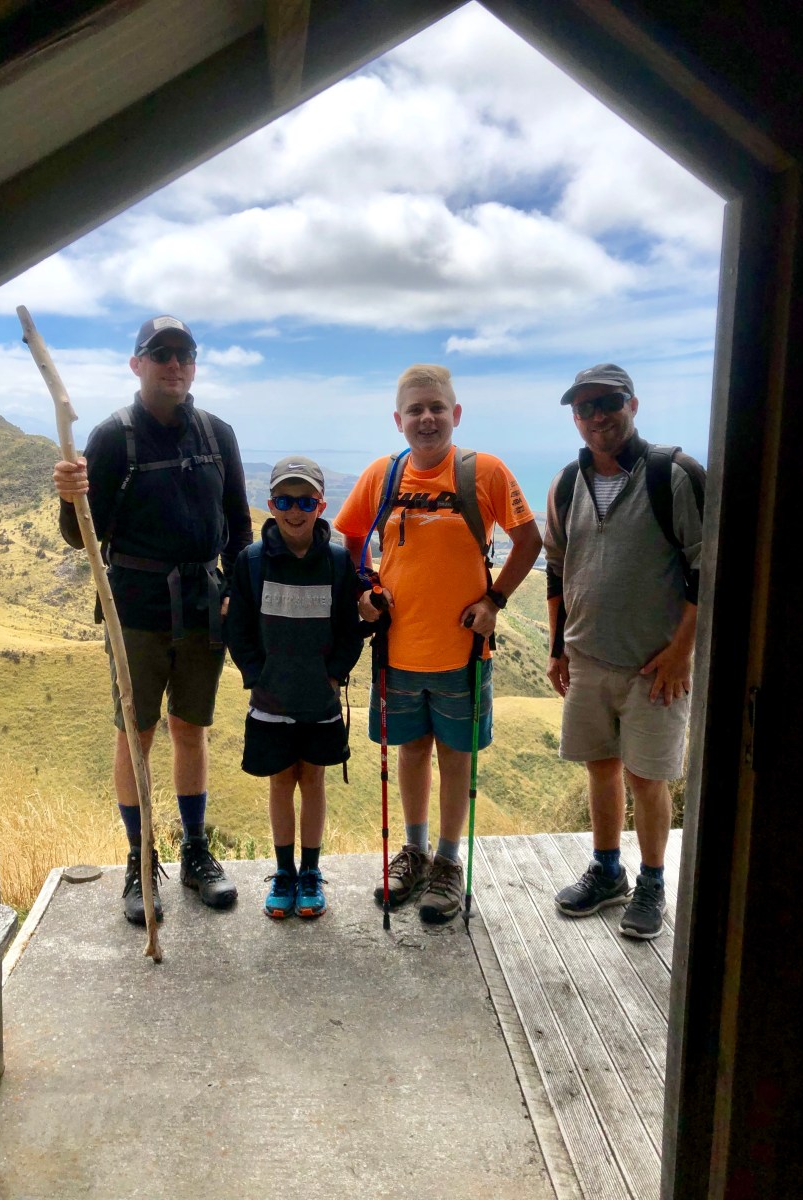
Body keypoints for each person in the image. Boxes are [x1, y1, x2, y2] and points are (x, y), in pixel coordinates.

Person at [53, 315, 252, 925]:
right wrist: (70, 499)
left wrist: (233, 594)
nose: (174, 363)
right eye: (159, 353)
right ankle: (141, 865)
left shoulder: (218, 434)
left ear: (194, 364)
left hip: (200, 606)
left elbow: (238, 527)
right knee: (136, 736)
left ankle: (194, 853)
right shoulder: (114, 438)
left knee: (191, 728)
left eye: (184, 353)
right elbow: (78, 536)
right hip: (134, 609)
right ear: (136, 364)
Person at [335, 365, 541, 924]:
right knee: (411, 752)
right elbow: (352, 537)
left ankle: (448, 862)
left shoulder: (486, 473)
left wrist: (494, 602)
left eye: (437, 408)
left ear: (456, 414)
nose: (427, 418)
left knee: (455, 756)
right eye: (416, 410)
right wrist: (367, 587)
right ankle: (415, 852)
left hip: (463, 651)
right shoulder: (383, 474)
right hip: (397, 648)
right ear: (398, 420)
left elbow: (529, 540)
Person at [544, 363, 705, 940]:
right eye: (583, 408)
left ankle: (653, 882)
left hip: (653, 665)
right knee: (601, 767)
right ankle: (608, 871)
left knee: (647, 778)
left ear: (632, 403)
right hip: (587, 658)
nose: (595, 417)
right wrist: (558, 648)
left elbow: (703, 568)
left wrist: (682, 652)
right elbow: (558, 568)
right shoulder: (567, 482)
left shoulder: (675, 475)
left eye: (606, 402)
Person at [225, 456, 363, 919]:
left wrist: (334, 674)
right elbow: (239, 628)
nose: (295, 510)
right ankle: (284, 873)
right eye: (285, 500)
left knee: (314, 780)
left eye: (305, 501)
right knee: (281, 782)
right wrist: (256, 675)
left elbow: (349, 628)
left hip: (319, 701)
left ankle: (309, 873)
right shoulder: (252, 562)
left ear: (321, 505)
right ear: (270, 505)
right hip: (270, 700)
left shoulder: (338, 562)